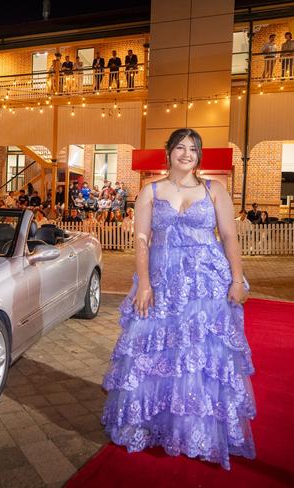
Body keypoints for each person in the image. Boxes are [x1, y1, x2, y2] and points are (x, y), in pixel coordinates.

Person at [101, 128, 254, 470]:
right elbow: (142, 239)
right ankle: (155, 423)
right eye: (180, 147)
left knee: (198, 356)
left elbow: (229, 237)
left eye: (193, 149)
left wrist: (236, 278)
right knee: (154, 353)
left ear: (199, 156)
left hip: (206, 285)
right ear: (168, 152)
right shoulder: (150, 192)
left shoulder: (214, 190)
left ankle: (195, 431)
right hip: (162, 282)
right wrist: (144, 285)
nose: (187, 153)